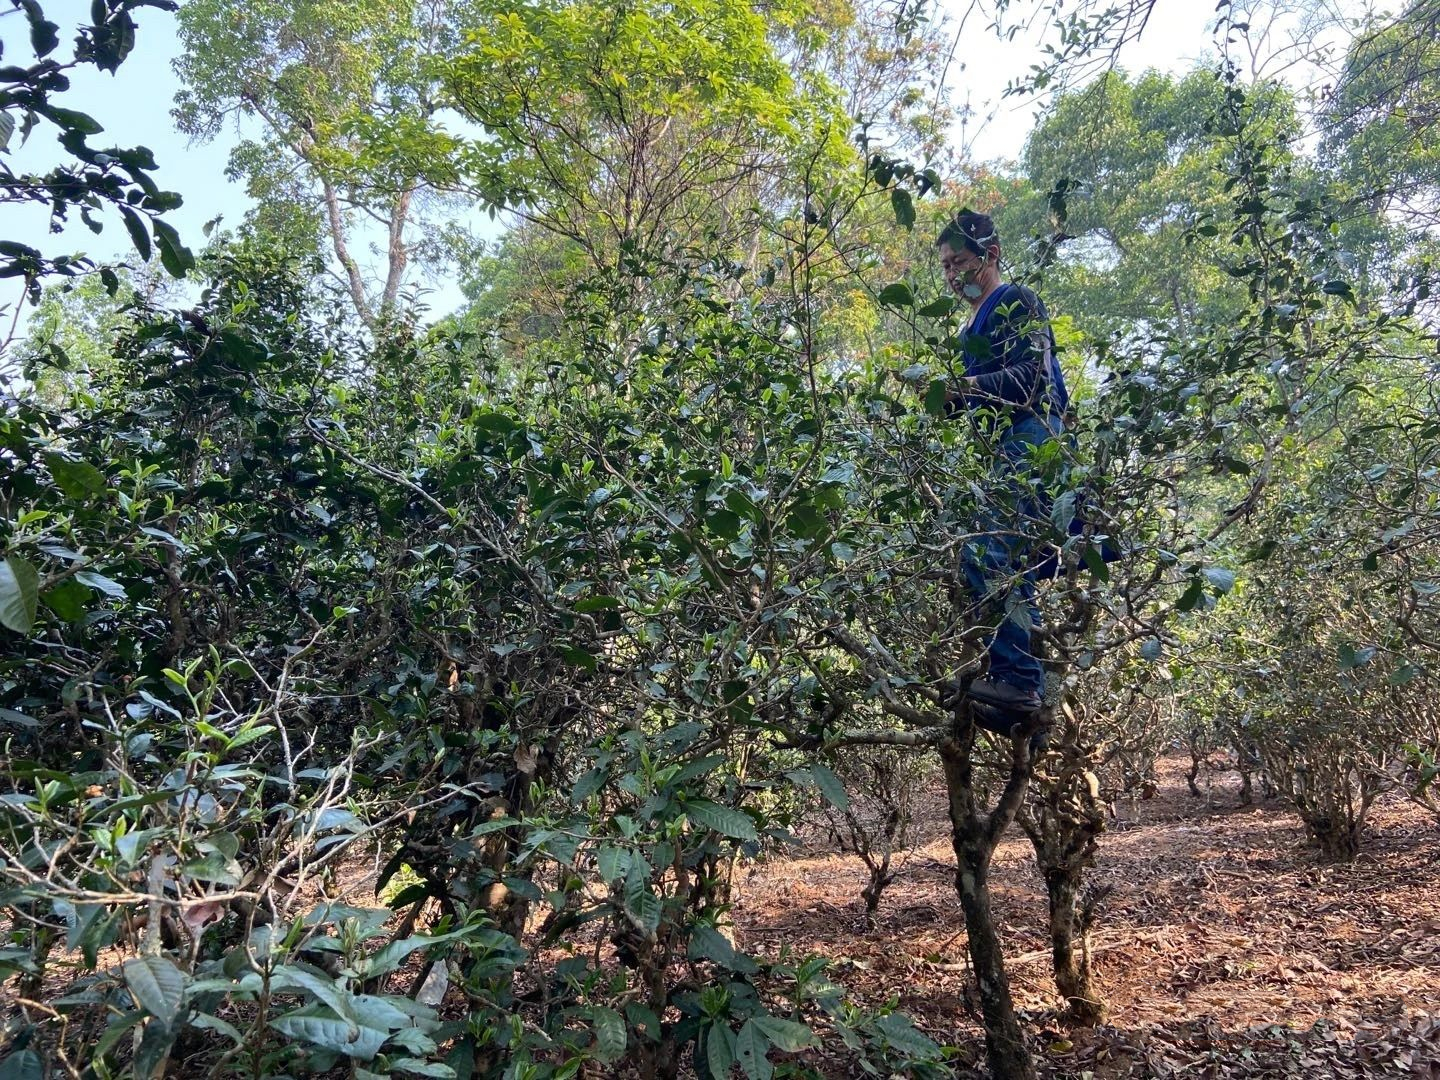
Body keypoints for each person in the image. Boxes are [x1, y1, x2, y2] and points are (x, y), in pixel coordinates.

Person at [936, 211, 1071, 727]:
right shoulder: (970, 326)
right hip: (1004, 450)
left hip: (1034, 439)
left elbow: (1032, 382)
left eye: (960, 262)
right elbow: (965, 401)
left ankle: (1020, 681)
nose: (952, 275)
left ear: (990, 255)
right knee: (1001, 564)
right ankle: (1024, 708)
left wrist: (966, 388)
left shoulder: (1016, 301)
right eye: (945, 266)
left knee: (991, 553)